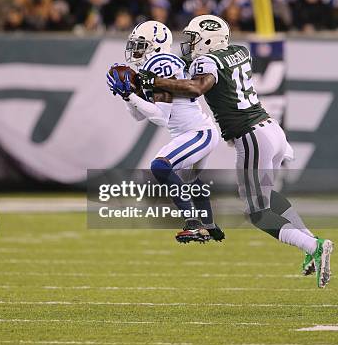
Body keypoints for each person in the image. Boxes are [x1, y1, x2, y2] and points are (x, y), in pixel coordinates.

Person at [137, 14, 333, 288]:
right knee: (267, 197)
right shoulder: (239, 51)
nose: (190, 44)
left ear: (209, 40)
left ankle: (314, 244)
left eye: (194, 39)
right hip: (271, 130)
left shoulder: (208, 61)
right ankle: (310, 245)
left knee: (257, 213)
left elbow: (197, 87)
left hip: (251, 135)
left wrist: (154, 83)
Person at [106, 20, 224, 244]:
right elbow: (139, 115)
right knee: (190, 179)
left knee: (161, 166)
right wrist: (127, 95)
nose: (135, 50)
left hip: (199, 132)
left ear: (156, 44)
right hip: (188, 134)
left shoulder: (161, 62)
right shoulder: (150, 65)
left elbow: (160, 116)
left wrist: (131, 96)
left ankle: (193, 224)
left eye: (141, 44)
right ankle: (210, 226)